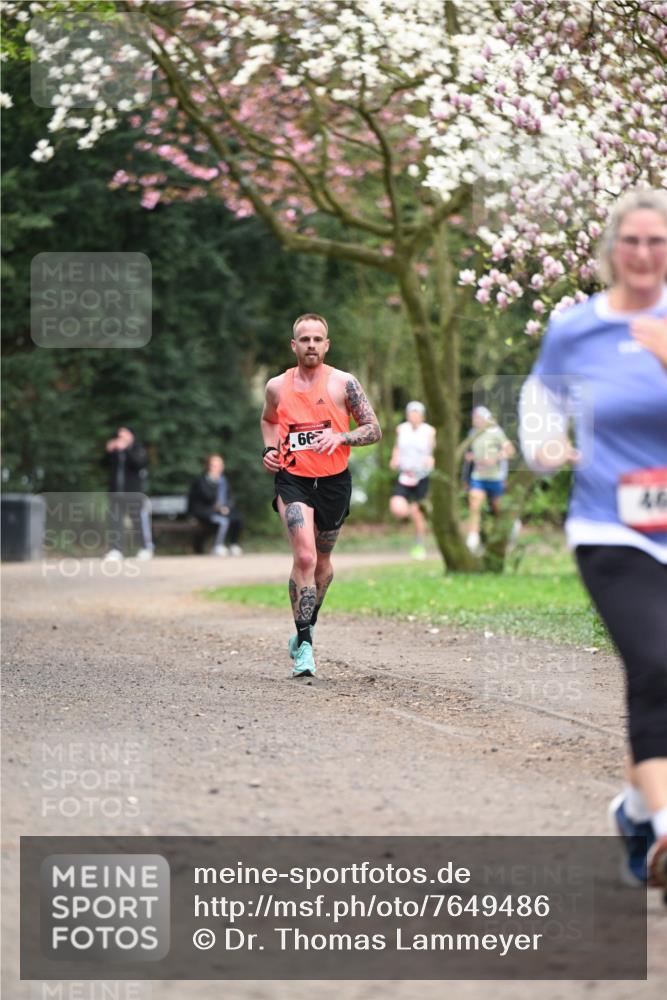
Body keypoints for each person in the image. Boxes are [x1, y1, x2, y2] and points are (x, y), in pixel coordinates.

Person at [519, 187, 667, 891]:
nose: (642, 255)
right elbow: (540, 396)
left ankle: (636, 812)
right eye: (631, 241)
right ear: (611, 251)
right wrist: (545, 444)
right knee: (655, 662)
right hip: (612, 527)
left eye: (656, 242)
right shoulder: (577, 328)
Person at [260, 313, 381, 678]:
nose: (310, 345)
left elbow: (374, 429)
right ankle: (306, 647)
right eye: (304, 339)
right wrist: (268, 450)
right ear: (293, 345)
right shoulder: (277, 387)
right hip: (292, 480)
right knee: (305, 555)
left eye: (317, 339)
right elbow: (268, 420)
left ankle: (304, 629)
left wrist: (341, 437)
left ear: (326, 345)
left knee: (323, 561)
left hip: (333, 483)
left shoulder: (344, 384)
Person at [463, 406, 515, 553]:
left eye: (478, 418)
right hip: (478, 477)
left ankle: (508, 536)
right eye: (474, 418)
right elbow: (469, 455)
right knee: (475, 506)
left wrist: (495, 458)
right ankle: (472, 541)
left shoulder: (496, 432)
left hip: (495, 477)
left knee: (499, 510)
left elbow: (510, 450)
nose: (475, 420)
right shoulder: (472, 433)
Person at [389, 401, 435, 560]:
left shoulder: (429, 431)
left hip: (421, 476)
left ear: (422, 416)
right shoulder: (401, 429)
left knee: (417, 513)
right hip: (405, 474)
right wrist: (394, 459)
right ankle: (413, 514)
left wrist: (430, 460)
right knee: (397, 508)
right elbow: (397, 447)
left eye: (417, 414)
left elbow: (432, 451)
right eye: (411, 413)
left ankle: (419, 544)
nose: (414, 417)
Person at [102, 425, 153, 560]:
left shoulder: (137, 449)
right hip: (116, 493)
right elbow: (103, 465)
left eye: (124, 435)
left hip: (133, 493)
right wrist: (109, 451)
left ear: (131, 436)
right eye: (119, 436)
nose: (121, 438)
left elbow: (139, 464)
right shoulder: (116, 451)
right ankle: (115, 550)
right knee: (115, 521)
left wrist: (126, 450)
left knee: (136, 521)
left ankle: (144, 548)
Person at [187, 454, 243, 556]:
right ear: (208, 466)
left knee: (237, 517)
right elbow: (206, 497)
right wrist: (219, 507)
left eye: (220, 465)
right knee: (223, 521)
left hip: (221, 510)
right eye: (214, 465)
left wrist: (227, 506)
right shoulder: (201, 480)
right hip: (203, 511)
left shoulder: (224, 480)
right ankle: (217, 546)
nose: (218, 468)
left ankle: (233, 544)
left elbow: (229, 497)